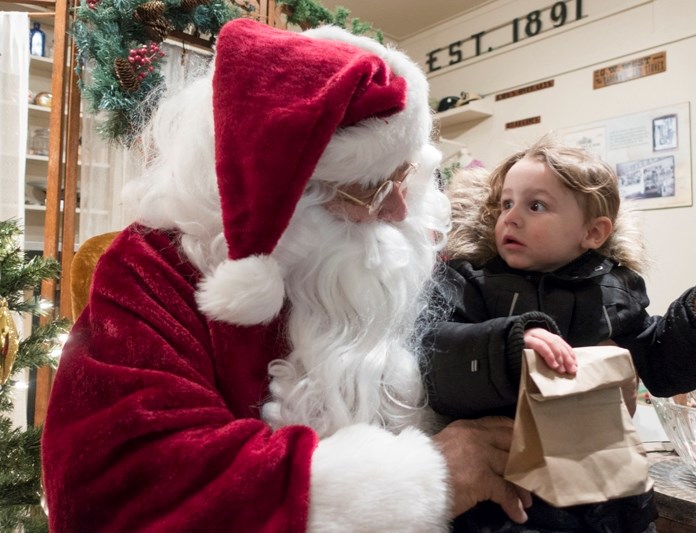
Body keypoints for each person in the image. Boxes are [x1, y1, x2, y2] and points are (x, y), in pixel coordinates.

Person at [41, 19, 533, 532]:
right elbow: (125, 485)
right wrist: (426, 481)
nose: (397, 211)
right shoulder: (151, 270)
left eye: (404, 176)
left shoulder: (398, 248)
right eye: (369, 192)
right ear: (285, 200)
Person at [424, 135, 696, 532]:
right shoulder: (470, 280)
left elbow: (661, 369)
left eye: (536, 205)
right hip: (511, 493)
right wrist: (509, 347)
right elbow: (437, 361)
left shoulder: (617, 288)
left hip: (608, 495)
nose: (510, 217)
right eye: (506, 203)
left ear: (593, 233)